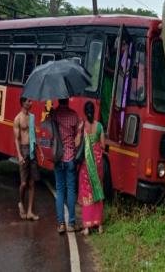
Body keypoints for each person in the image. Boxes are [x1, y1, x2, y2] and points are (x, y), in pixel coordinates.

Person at [76, 101, 105, 236]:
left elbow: (77, 143)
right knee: (97, 191)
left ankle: (87, 227)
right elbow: (103, 145)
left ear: (84, 111)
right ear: (94, 111)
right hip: (98, 165)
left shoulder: (83, 126)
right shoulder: (99, 126)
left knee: (87, 193)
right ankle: (99, 225)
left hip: (86, 165)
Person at [13, 96, 44, 221]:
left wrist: (40, 151)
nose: (31, 103)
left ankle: (30, 211)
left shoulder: (32, 117)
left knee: (32, 183)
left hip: (32, 150)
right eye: (29, 101)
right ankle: (21, 202)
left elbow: (34, 136)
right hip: (23, 150)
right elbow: (17, 139)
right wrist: (19, 154)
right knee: (24, 183)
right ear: (23, 103)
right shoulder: (18, 119)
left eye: (31, 101)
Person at [53, 98, 79, 234]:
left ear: (58, 99)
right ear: (68, 100)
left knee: (60, 190)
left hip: (58, 157)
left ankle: (61, 224)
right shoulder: (74, 115)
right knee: (71, 190)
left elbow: (50, 133)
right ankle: (72, 223)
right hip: (70, 158)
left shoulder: (54, 115)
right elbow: (76, 137)